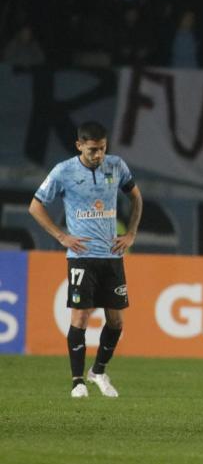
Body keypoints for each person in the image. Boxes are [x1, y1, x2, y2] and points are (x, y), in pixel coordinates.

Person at [29, 121, 143, 398]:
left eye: (102, 149)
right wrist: (61, 237)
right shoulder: (63, 171)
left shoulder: (116, 166)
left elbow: (137, 198)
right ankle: (77, 381)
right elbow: (35, 206)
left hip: (112, 256)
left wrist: (130, 233)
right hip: (81, 257)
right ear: (79, 145)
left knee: (116, 322)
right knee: (80, 318)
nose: (98, 155)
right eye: (93, 150)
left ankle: (99, 372)